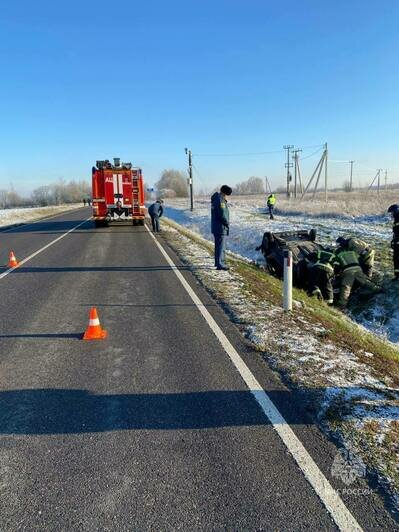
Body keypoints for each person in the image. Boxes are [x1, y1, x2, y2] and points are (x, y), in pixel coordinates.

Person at [211, 185, 232, 270]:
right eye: (227, 194)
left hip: (216, 226)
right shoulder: (221, 201)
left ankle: (218, 262)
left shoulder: (216, 199)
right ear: (224, 193)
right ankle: (220, 264)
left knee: (218, 246)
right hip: (220, 227)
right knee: (220, 246)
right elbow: (222, 214)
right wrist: (227, 223)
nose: (227, 196)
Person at [388, 204, 399, 280]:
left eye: (392, 213)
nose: (391, 215)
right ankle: (397, 275)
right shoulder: (396, 220)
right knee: (396, 259)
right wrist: (393, 241)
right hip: (397, 244)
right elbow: (396, 233)